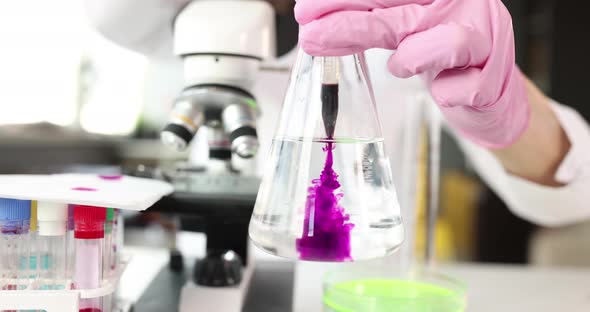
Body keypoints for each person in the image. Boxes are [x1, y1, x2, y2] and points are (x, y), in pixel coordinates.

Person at [84, 0, 590, 227]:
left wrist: (505, 109)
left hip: (360, 287)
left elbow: (574, 197)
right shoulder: (154, 22)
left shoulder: (406, 12)